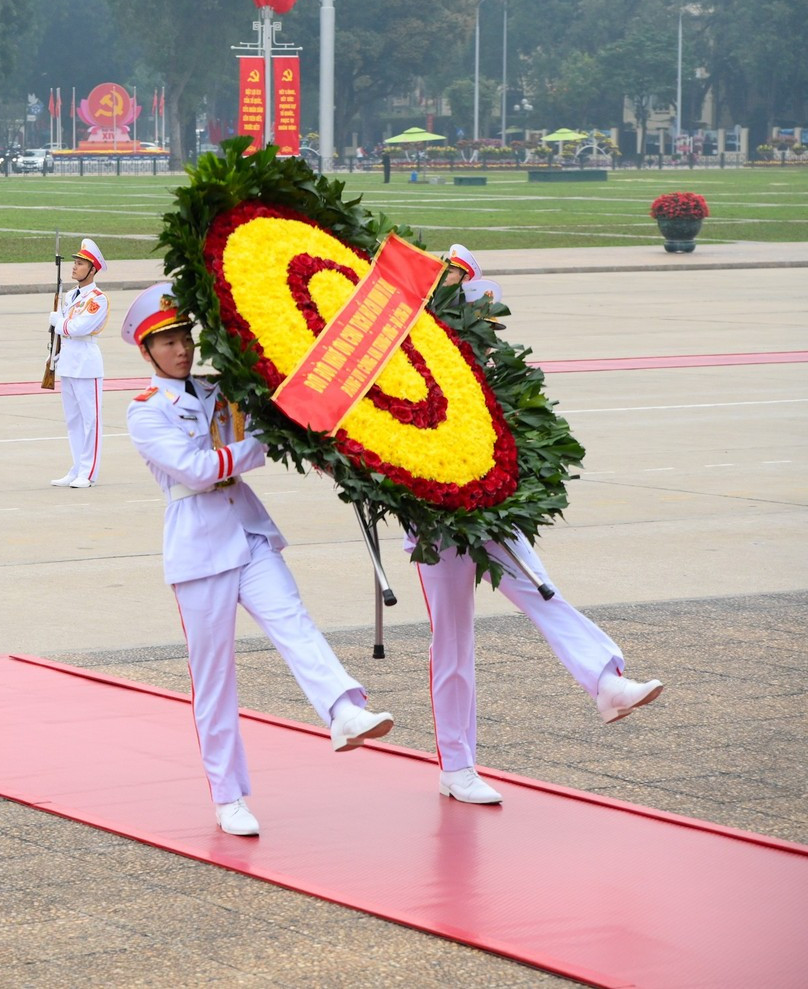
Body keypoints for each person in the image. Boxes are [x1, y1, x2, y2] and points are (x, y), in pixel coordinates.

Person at [122, 285, 394, 837]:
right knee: (215, 680)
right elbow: (197, 469)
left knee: (294, 621)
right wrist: (257, 444)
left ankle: (344, 710)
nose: (181, 349)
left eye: (185, 338)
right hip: (199, 550)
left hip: (247, 532)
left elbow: (257, 430)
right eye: (168, 342)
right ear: (146, 351)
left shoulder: (220, 389)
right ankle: (228, 797)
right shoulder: (145, 411)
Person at [410, 249, 662, 806]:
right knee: (452, 642)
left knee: (541, 590)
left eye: (465, 295)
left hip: (488, 504)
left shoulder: (488, 360)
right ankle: (457, 765)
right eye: (448, 288)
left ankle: (606, 680)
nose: (461, 306)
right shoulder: (403, 354)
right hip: (428, 515)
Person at [49, 239, 110, 489]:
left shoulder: (98, 299)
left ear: (92, 269)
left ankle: (88, 471)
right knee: (73, 420)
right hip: (69, 361)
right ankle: (76, 468)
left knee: (90, 420)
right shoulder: (71, 295)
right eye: (74, 263)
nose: (74, 267)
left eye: (80, 264)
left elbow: (77, 327)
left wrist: (58, 323)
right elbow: (65, 332)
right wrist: (52, 354)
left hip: (86, 362)